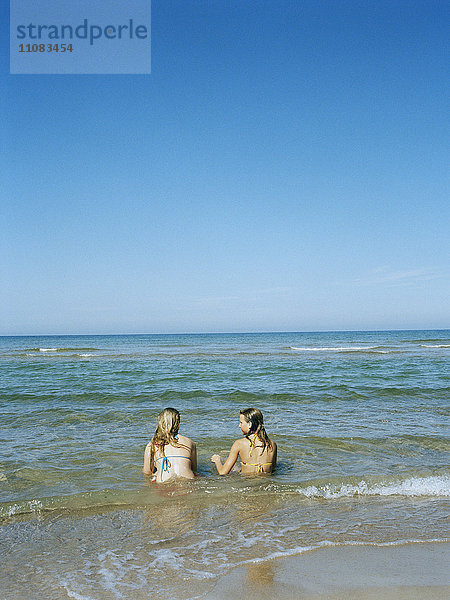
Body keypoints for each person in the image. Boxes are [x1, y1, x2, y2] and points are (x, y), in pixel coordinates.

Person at [211, 408, 277, 475]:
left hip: (246, 482)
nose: (239, 426)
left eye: (241, 422)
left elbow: (223, 473)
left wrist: (217, 461)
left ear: (249, 424)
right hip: (265, 484)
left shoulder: (239, 444)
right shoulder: (272, 445)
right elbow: (273, 470)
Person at [143, 407, 197, 482]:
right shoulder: (190, 442)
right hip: (188, 481)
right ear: (178, 423)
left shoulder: (151, 445)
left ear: (160, 423)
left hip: (164, 483)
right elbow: (194, 469)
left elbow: (147, 473)